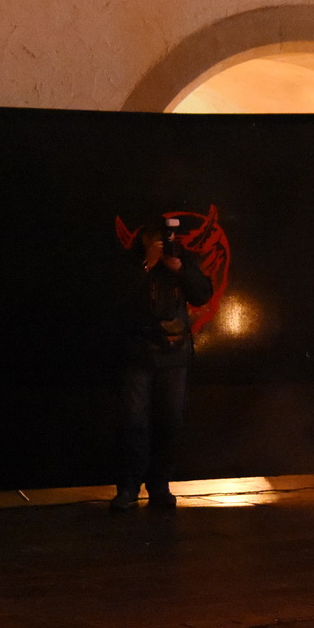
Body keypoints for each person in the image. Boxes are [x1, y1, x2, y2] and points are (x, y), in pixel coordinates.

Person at [114, 218, 212, 510]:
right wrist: (147, 264)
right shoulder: (130, 262)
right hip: (137, 352)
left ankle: (160, 486)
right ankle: (129, 488)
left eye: (169, 237)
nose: (166, 242)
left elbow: (202, 294)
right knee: (133, 422)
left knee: (169, 422)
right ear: (144, 238)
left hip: (174, 354)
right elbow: (116, 297)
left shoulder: (182, 259)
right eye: (159, 237)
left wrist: (180, 269)